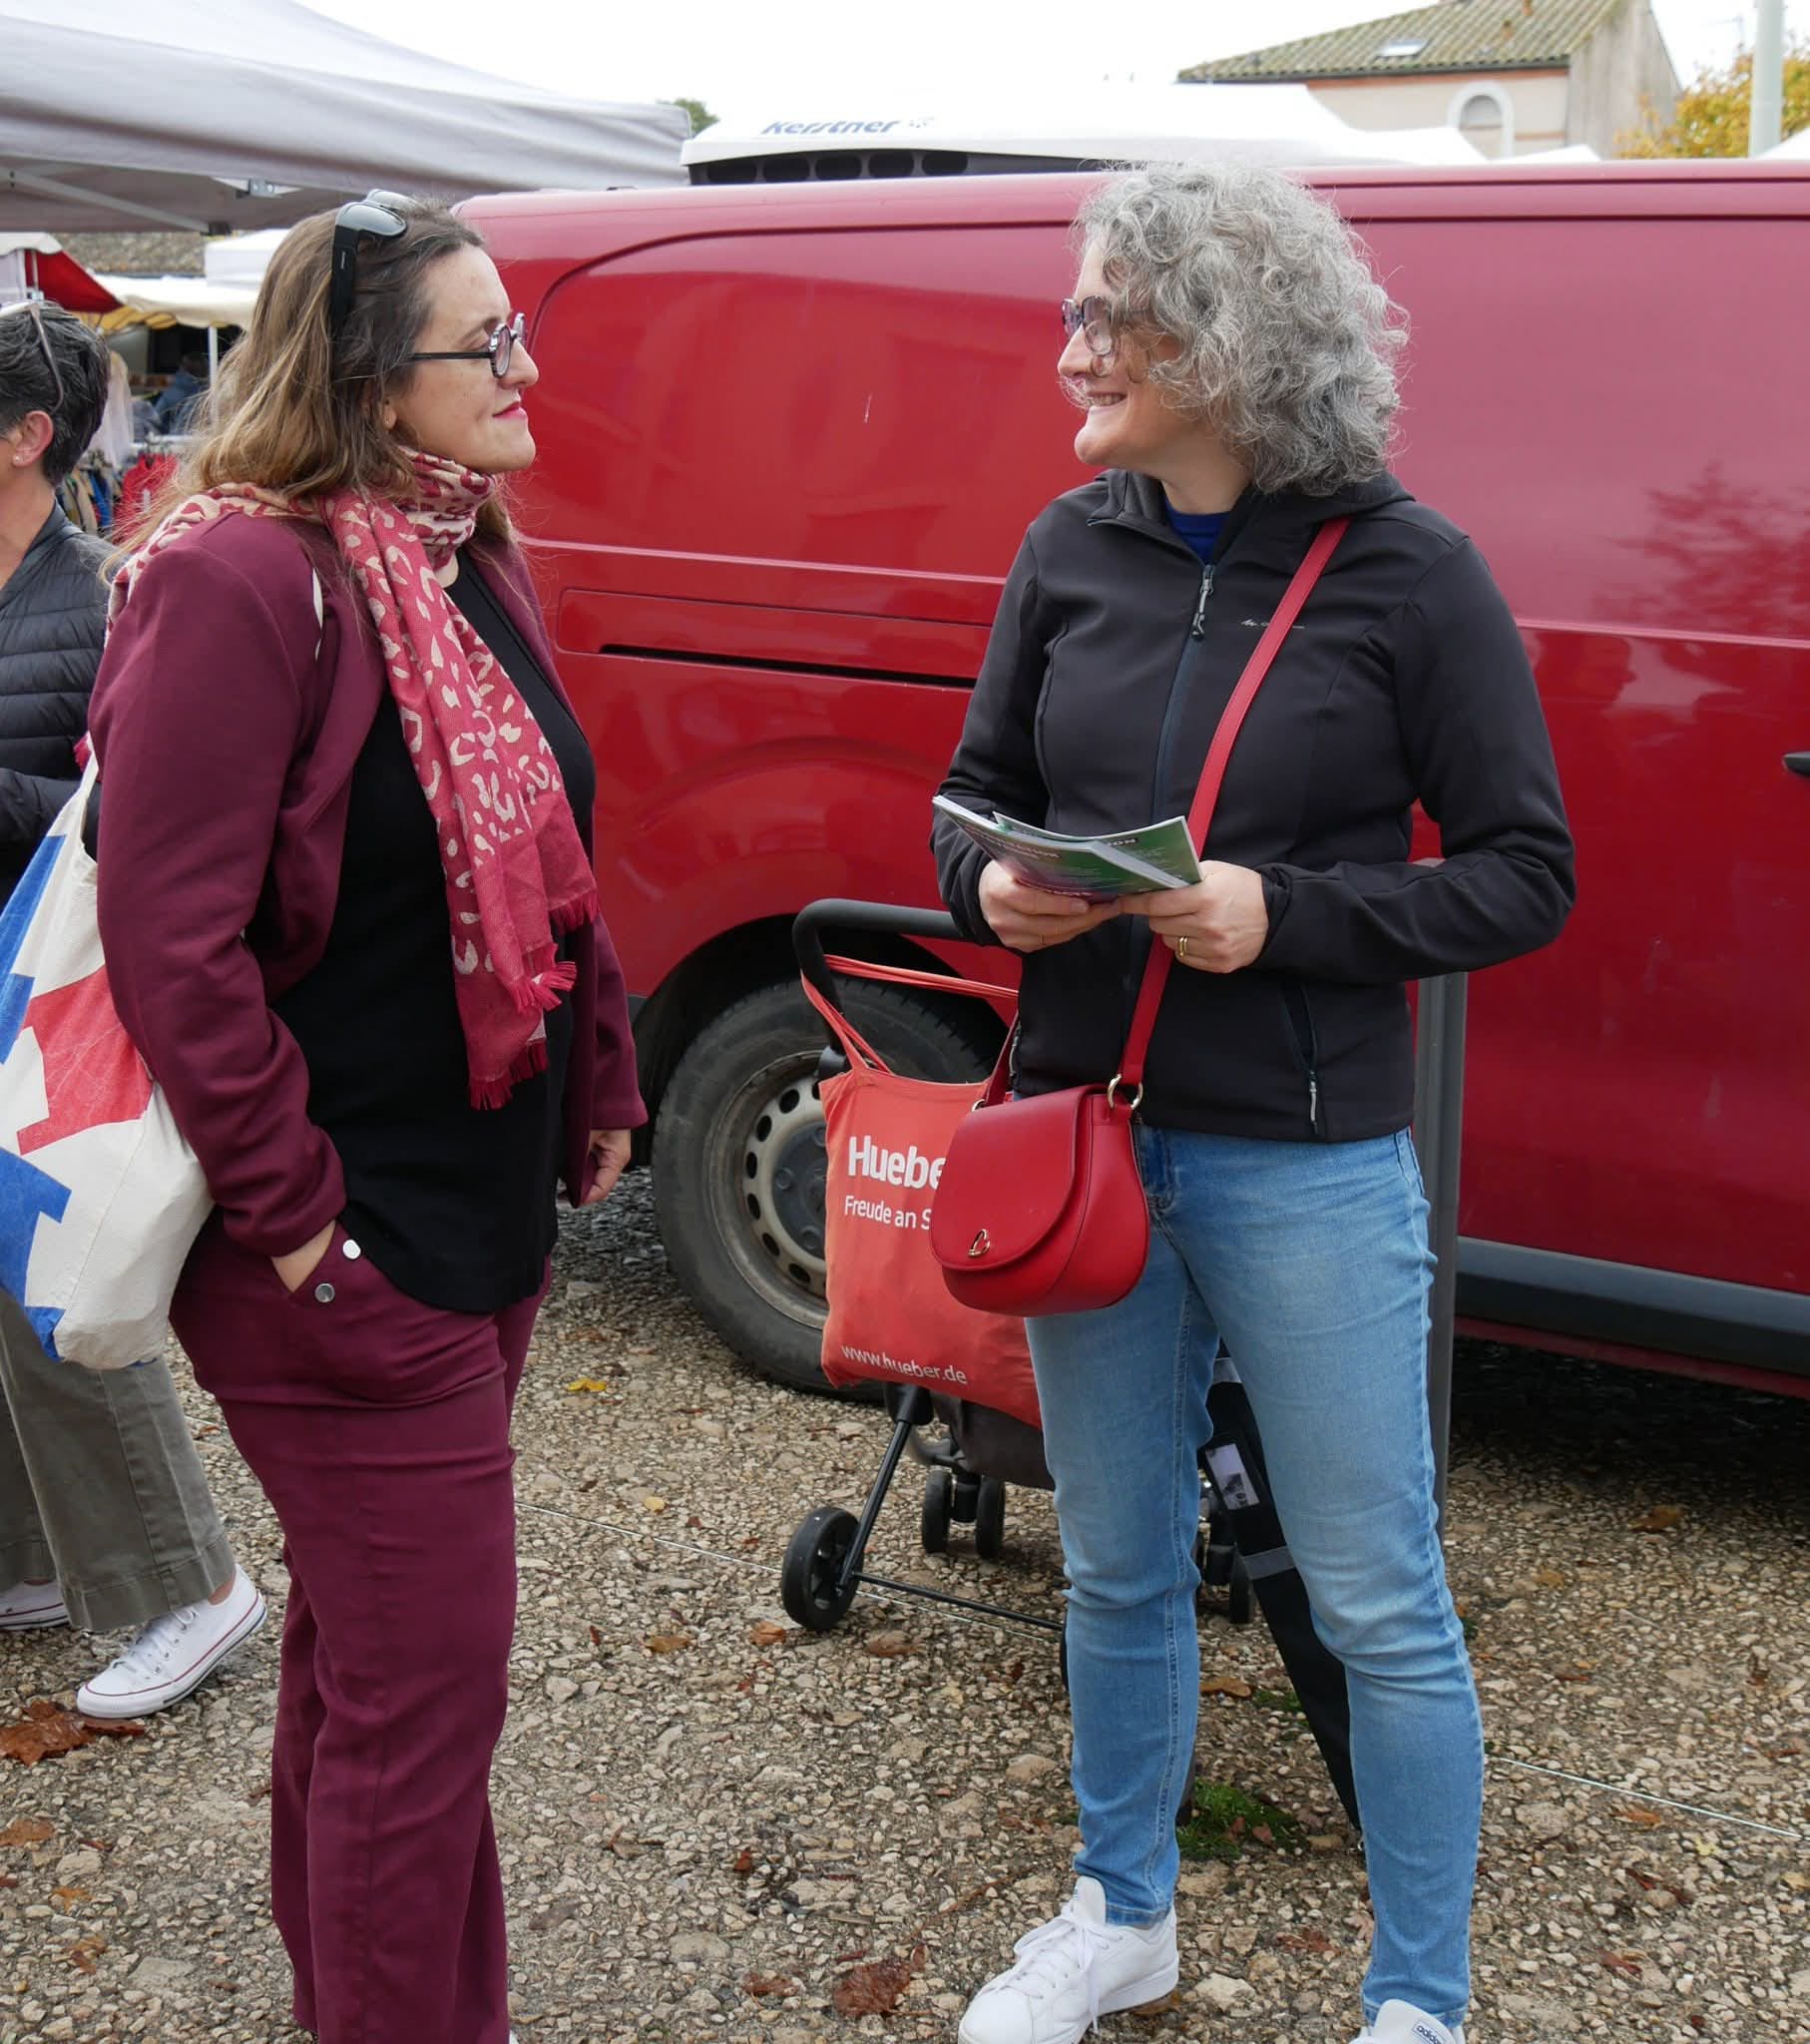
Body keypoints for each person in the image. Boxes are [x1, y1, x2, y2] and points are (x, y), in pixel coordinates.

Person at [935, 163, 1576, 2044]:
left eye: (1104, 315)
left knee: (1378, 1598)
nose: (1069, 346)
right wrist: (987, 885)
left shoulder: (1411, 571)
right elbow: (964, 794)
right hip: (1089, 1135)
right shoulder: (1066, 544)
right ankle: (1120, 1912)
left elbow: (1522, 872)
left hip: (1303, 1160)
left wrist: (1279, 914)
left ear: (1218, 341)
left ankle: (1415, 1998)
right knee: (1117, 1560)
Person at [87, 196, 644, 2044]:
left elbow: (547, 856)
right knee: (423, 1710)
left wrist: (608, 1068)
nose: (521, 368)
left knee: (368, 1670)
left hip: (475, 1214)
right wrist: (304, 1226)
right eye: (483, 342)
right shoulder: (234, 578)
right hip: (341, 1253)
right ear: (354, 372)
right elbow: (175, 944)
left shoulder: (458, 546)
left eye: (515, 332)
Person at [0, 296, 265, 1719]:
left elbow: (133, 811)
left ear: (28, 437)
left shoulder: (104, 592)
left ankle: (189, 1582)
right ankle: (34, 1559)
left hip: (53, 1007)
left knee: (59, 1289)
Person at [151, 346, 210, 431]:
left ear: (182, 367)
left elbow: (156, 419)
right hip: (203, 440)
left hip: (176, 439)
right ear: (205, 369)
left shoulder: (171, 392)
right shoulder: (208, 391)